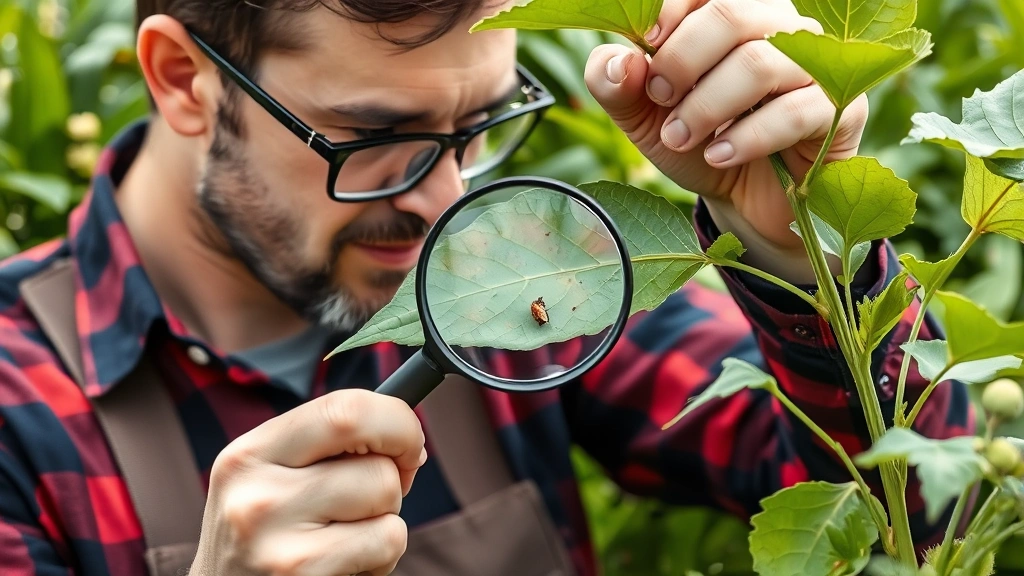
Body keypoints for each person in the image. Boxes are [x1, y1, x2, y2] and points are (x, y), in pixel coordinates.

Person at [0, 0, 972, 575]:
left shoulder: (519, 276)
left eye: (477, 127)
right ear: (180, 79)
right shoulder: (19, 406)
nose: (447, 203)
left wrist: (795, 248)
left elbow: (914, 518)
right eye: (377, 140)